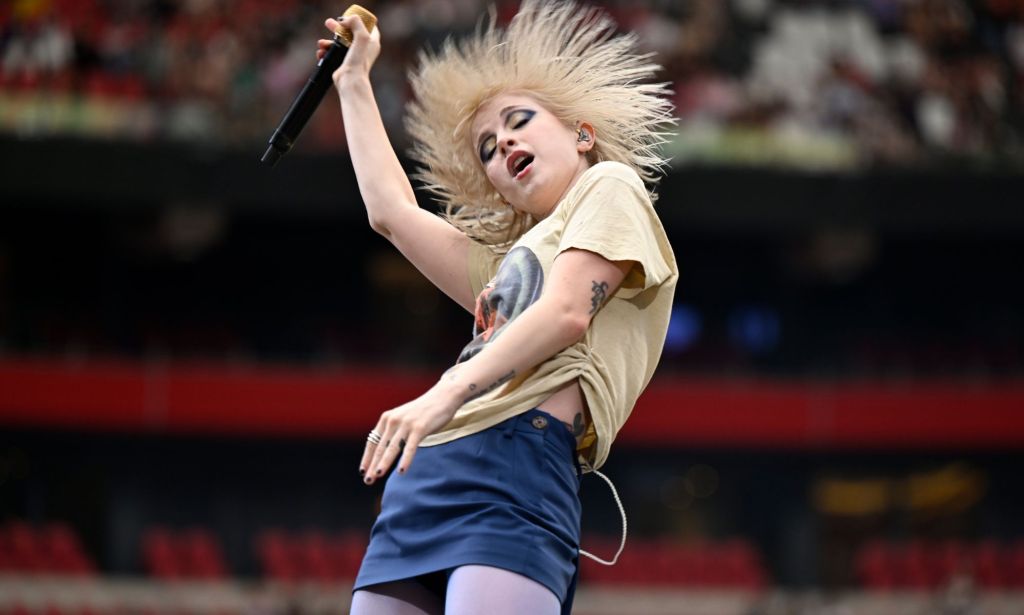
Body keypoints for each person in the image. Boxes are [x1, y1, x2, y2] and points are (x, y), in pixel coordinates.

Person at [318, 1, 677, 613]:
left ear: (582, 134)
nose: (503, 142)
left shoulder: (609, 186)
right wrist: (353, 81)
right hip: (427, 472)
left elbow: (566, 313)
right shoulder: (513, 260)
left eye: (519, 121)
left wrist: (440, 394)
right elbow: (391, 214)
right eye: (487, 147)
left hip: (518, 462)